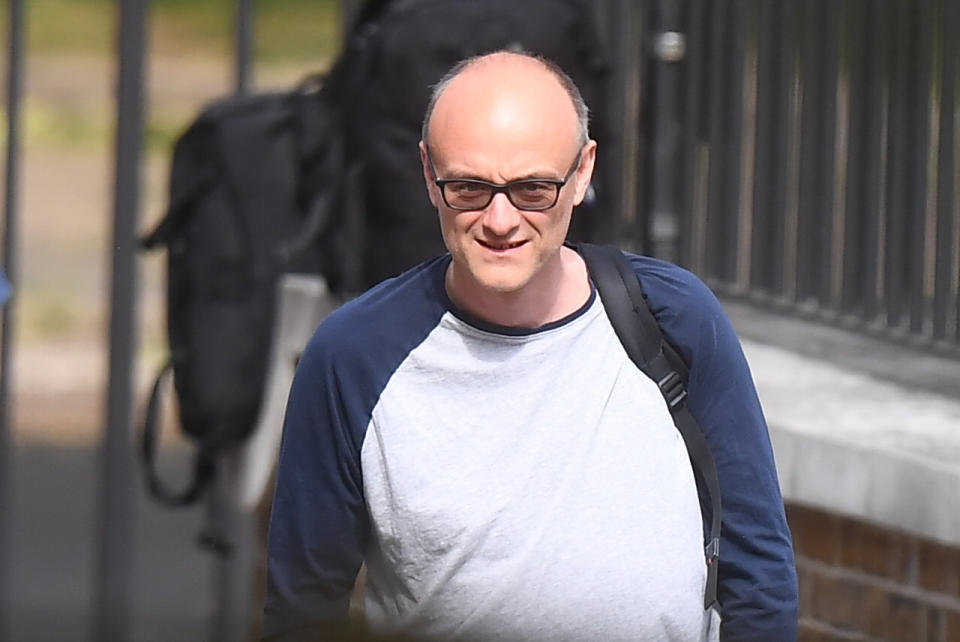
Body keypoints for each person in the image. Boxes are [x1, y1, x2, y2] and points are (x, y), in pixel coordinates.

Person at [262, 50, 798, 641]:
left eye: (533, 189)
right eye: (468, 187)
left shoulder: (673, 320)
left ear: (583, 172)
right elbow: (304, 609)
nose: (499, 220)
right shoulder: (352, 355)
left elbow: (759, 577)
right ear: (427, 173)